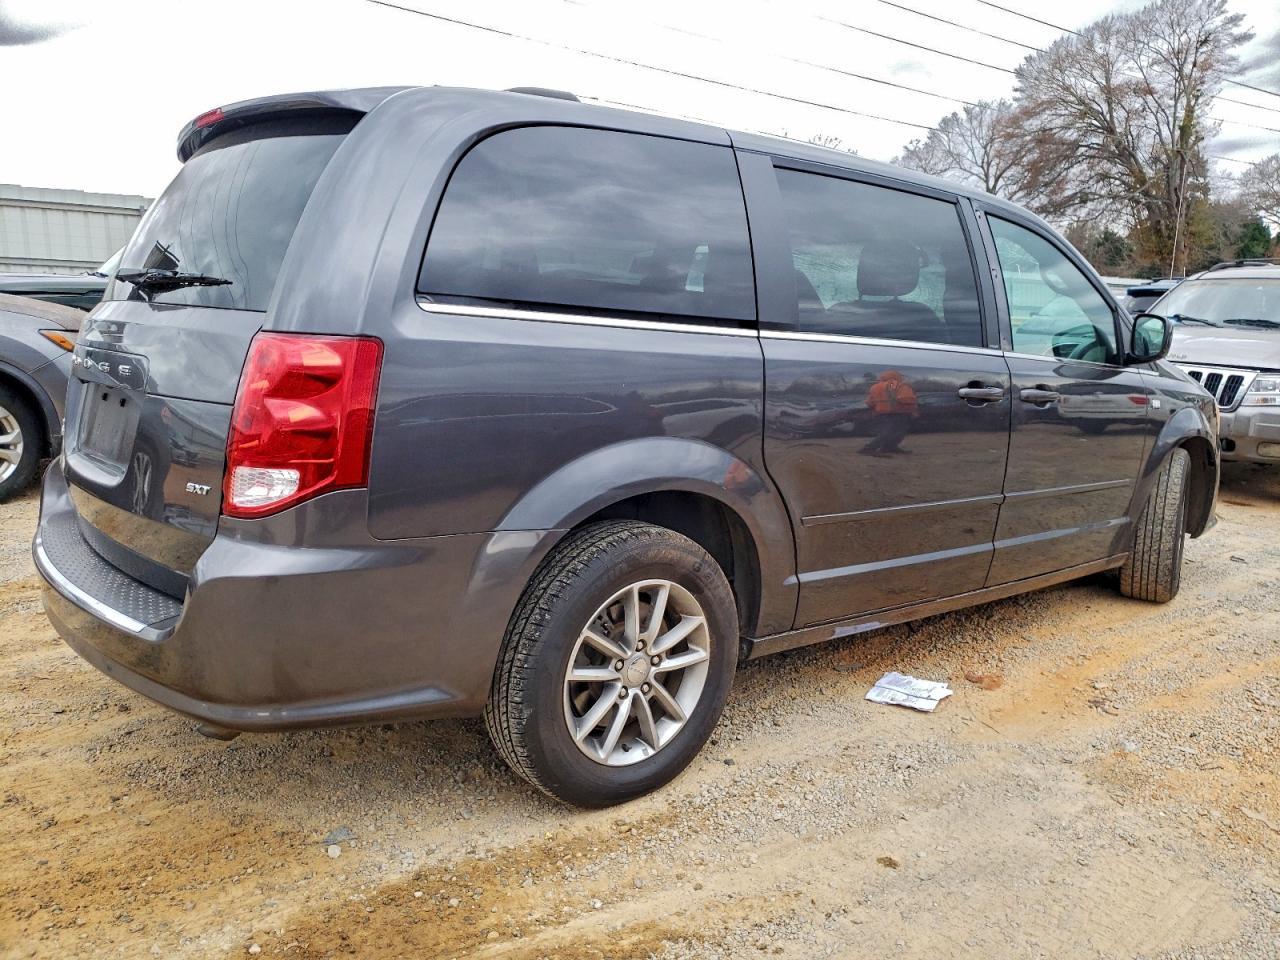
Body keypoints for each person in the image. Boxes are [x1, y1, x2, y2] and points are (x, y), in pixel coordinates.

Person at [861, 369, 918, 456]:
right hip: (898, 412)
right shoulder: (898, 385)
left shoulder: (875, 387)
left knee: (888, 432)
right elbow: (905, 398)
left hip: (880, 413)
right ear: (897, 376)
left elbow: (869, 402)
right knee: (896, 432)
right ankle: (869, 448)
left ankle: (889, 447)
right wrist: (913, 401)